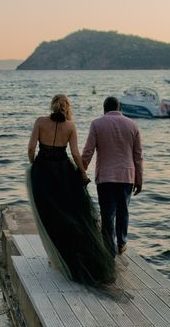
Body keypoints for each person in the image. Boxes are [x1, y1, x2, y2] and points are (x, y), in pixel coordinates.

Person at [26, 94, 115, 286]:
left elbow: (31, 148)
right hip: (64, 173)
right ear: (67, 108)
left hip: (43, 172)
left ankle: (54, 257)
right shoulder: (70, 126)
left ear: (52, 106)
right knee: (70, 215)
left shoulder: (40, 122)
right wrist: (82, 174)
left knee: (49, 216)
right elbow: (75, 153)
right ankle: (67, 257)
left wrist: (35, 165)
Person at [82, 96, 143, 256]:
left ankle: (109, 248)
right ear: (119, 108)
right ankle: (121, 243)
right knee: (123, 211)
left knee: (107, 213)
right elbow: (138, 156)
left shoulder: (96, 124)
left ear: (104, 109)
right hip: (126, 176)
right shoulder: (133, 125)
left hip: (105, 177)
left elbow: (88, 150)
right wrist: (139, 179)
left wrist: (81, 170)